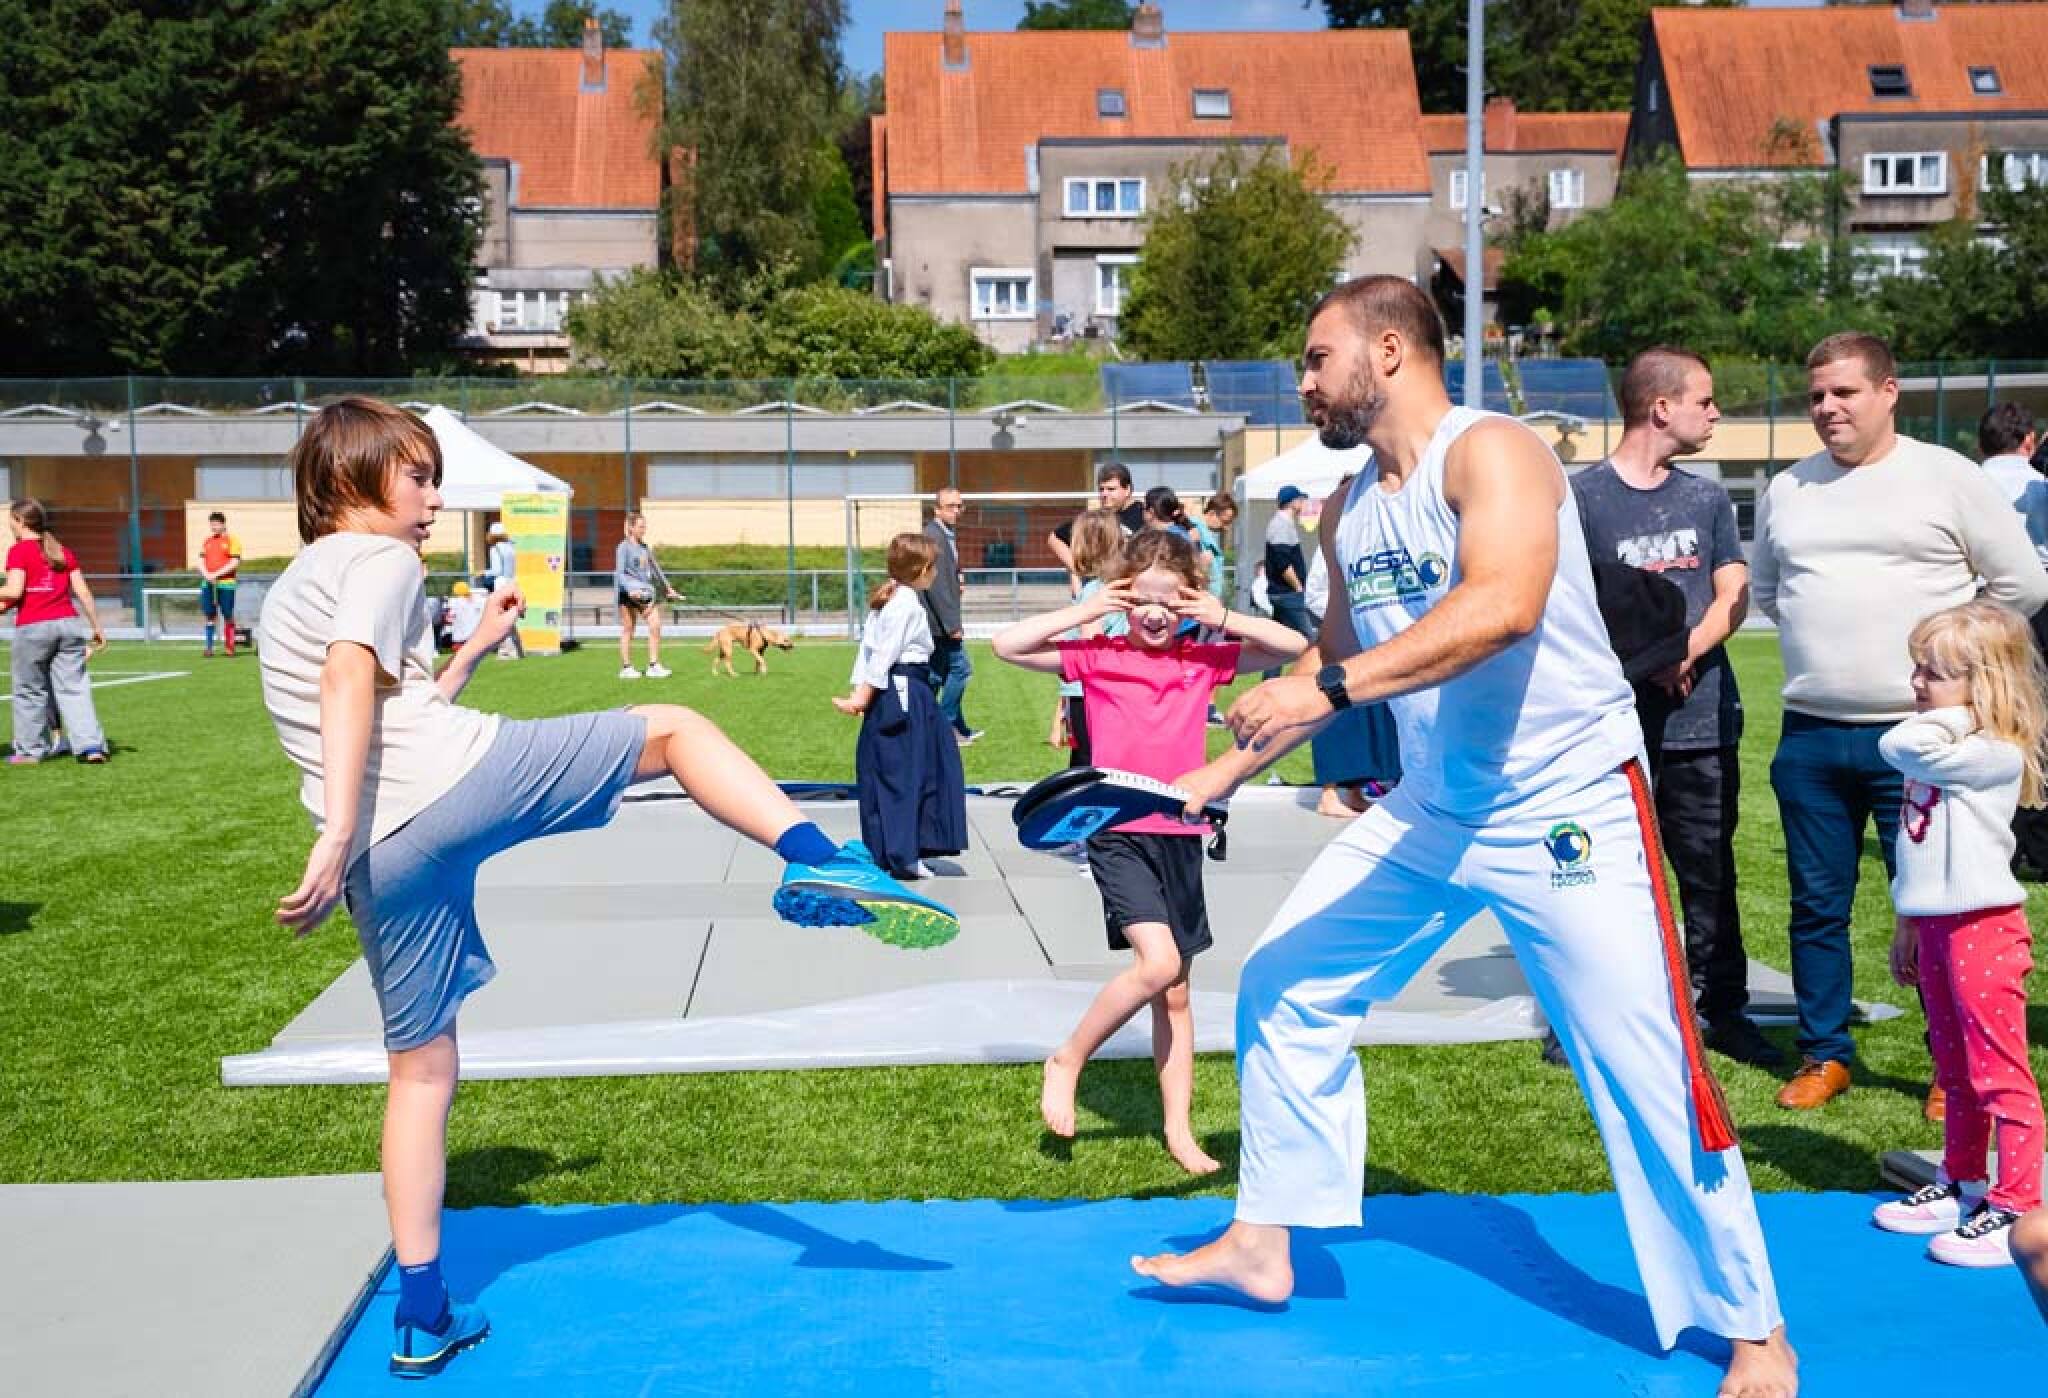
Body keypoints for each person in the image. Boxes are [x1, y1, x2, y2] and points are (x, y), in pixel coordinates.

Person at [1129, 277, 1796, 1398]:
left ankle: (1755, 1329)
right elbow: (1328, 659)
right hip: (1435, 807)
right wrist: (1217, 774)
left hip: (1566, 801)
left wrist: (1325, 688)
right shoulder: (1348, 506)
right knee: (1285, 983)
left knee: (1641, 1065)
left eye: (1315, 358)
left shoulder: (1493, 453)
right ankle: (1262, 1241)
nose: (1302, 381)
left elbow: (1502, 606)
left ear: (1388, 350)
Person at [255, 397, 955, 1380]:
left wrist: (468, 656)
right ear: (348, 482)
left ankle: (421, 1313)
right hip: (428, 794)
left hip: (387, 847)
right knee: (674, 729)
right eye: (417, 477)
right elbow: (346, 679)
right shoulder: (378, 558)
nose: (434, 498)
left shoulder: (292, 585)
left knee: (418, 1073)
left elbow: (386, 706)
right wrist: (331, 831)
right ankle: (814, 854)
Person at [1751, 333, 2048, 1111]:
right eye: (1816, 395)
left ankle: (1950, 1069)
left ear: (1889, 392)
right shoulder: (1788, 488)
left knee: (1941, 909)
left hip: (1928, 745)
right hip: (1810, 734)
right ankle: (1824, 1053)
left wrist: (1958, 662)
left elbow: (2021, 585)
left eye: (1844, 392)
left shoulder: (1948, 477)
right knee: (1817, 905)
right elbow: (1771, 593)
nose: (1827, 407)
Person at [993, 528, 1307, 1175]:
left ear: (1190, 600)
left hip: (1182, 834)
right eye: (1143, 601)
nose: (1157, 615)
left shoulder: (1203, 659)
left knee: (1177, 994)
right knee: (1158, 963)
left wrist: (1220, 616)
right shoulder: (1097, 655)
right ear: (1123, 599)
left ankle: (1178, 1131)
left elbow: (1294, 646)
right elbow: (1007, 645)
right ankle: (1068, 1058)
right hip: (1119, 833)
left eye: (1172, 602)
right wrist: (1089, 608)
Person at [1569, 347, 1778, 1068]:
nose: (1715, 413)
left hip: (1701, 719)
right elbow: (1574, 607)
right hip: (1611, 723)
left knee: (1709, 871)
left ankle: (1723, 1009)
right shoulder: (1582, 499)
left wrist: (1680, 653)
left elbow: (1732, 596)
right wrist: (1643, 665)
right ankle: (1600, 1014)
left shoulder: (1706, 498)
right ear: (1662, 408)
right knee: (1606, 875)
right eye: (1705, 400)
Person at [1869, 601, 2046, 1267]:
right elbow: (1916, 846)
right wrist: (1907, 922)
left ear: (1984, 683)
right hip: (1936, 926)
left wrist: (1963, 713)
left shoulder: (1992, 753)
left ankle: (2017, 1203)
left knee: (2000, 1073)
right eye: (1917, 667)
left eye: (1934, 673)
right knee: (1954, 1069)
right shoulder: (1945, 748)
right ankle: (1963, 1180)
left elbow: (1896, 744)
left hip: (1984, 929)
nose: (1916, 683)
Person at [833, 533, 968, 880]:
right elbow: (883, 654)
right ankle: (904, 853)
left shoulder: (891, 599)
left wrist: (861, 690)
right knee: (908, 771)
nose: (936, 573)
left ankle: (891, 849)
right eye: (933, 567)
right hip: (905, 692)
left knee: (893, 768)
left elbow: (868, 652)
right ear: (922, 569)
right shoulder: (903, 604)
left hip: (897, 690)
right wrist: (862, 696)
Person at [1976, 403, 2048, 877]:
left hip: (1982, 605)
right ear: (2029, 440)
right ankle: (2039, 841)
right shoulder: (2039, 484)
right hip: (2041, 604)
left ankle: (1996, 836)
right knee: (2039, 722)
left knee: (1987, 718)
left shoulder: (1969, 483)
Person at [1302, 517, 1401, 819]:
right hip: (1341, 644)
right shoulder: (1336, 540)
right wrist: (1348, 619)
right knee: (1335, 713)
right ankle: (1329, 793)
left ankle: (1355, 791)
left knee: (1368, 720)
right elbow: (1315, 595)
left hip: (1372, 643)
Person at [1, 499, 108, 765]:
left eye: (11, 520)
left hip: (34, 627)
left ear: (20, 521)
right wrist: (97, 627)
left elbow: (14, 591)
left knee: (29, 690)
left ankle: (31, 751)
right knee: (75, 689)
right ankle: (91, 747)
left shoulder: (19, 551)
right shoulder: (62, 551)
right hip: (68, 626)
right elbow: (83, 592)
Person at [1055, 508, 1128, 771]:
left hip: (1090, 694)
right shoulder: (1113, 587)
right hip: (1102, 691)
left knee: (1088, 765)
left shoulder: (1095, 594)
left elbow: (1092, 647)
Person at [922, 487, 978, 744]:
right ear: (937, 509)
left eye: (959, 506)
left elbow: (948, 574)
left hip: (937, 622)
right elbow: (936, 586)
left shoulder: (943, 534)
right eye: (950, 506)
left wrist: (959, 576)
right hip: (938, 622)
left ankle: (953, 728)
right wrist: (952, 624)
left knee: (937, 675)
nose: (956, 511)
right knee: (960, 669)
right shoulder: (933, 536)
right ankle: (944, 728)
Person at [1048, 462, 1145, 594]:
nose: (1104, 494)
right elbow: (1054, 538)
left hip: (1134, 590)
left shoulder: (1145, 515)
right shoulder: (1097, 519)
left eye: (1111, 489)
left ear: (1127, 489)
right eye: (1101, 489)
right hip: (1099, 591)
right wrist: (1077, 570)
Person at [615, 512, 680, 681]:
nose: (644, 529)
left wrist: (668, 588)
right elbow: (620, 573)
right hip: (628, 594)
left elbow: (656, 568)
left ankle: (653, 666)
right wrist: (630, 590)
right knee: (628, 629)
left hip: (645, 593)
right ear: (631, 528)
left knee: (655, 624)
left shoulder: (644, 547)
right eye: (641, 526)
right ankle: (626, 668)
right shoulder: (623, 547)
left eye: (645, 526)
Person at [1262, 484, 1313, 643]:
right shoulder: (1281, 525)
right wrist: (1298, 587)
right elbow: (1282, 563)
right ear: (1292, 502)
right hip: (1287, 593)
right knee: (1309, 639)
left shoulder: (1283, 523)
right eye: (1300, 499)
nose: (1303, 503)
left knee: (1281, 642)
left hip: (1283, 592)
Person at [198, 510, 241, 658]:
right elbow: (201, 561)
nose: (213, 527)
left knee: (228, 614)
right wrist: (207, 575)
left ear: (223, 524)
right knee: (209, 614)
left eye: (216, 524)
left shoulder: (232, 540)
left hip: (226, 584)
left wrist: (216, 574)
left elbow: (234, 562)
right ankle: (209, 648)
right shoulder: (207, 541)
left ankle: (230, 646)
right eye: (211, 524)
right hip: (208, 583)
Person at [483, 521, 523, 660]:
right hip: (512, 583)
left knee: (501, 619)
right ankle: (517, 649)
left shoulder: (495, 549)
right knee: (510, 618)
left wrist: (484, 572)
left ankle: (507, 651)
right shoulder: (511, 547)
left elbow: (497, 570)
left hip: (501, 585)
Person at [1197, 491, 1237, 600]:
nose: (1226, 528)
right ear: (1212, 513)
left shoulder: (1205, 535)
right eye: (1225, 522)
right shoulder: (1194, 532)